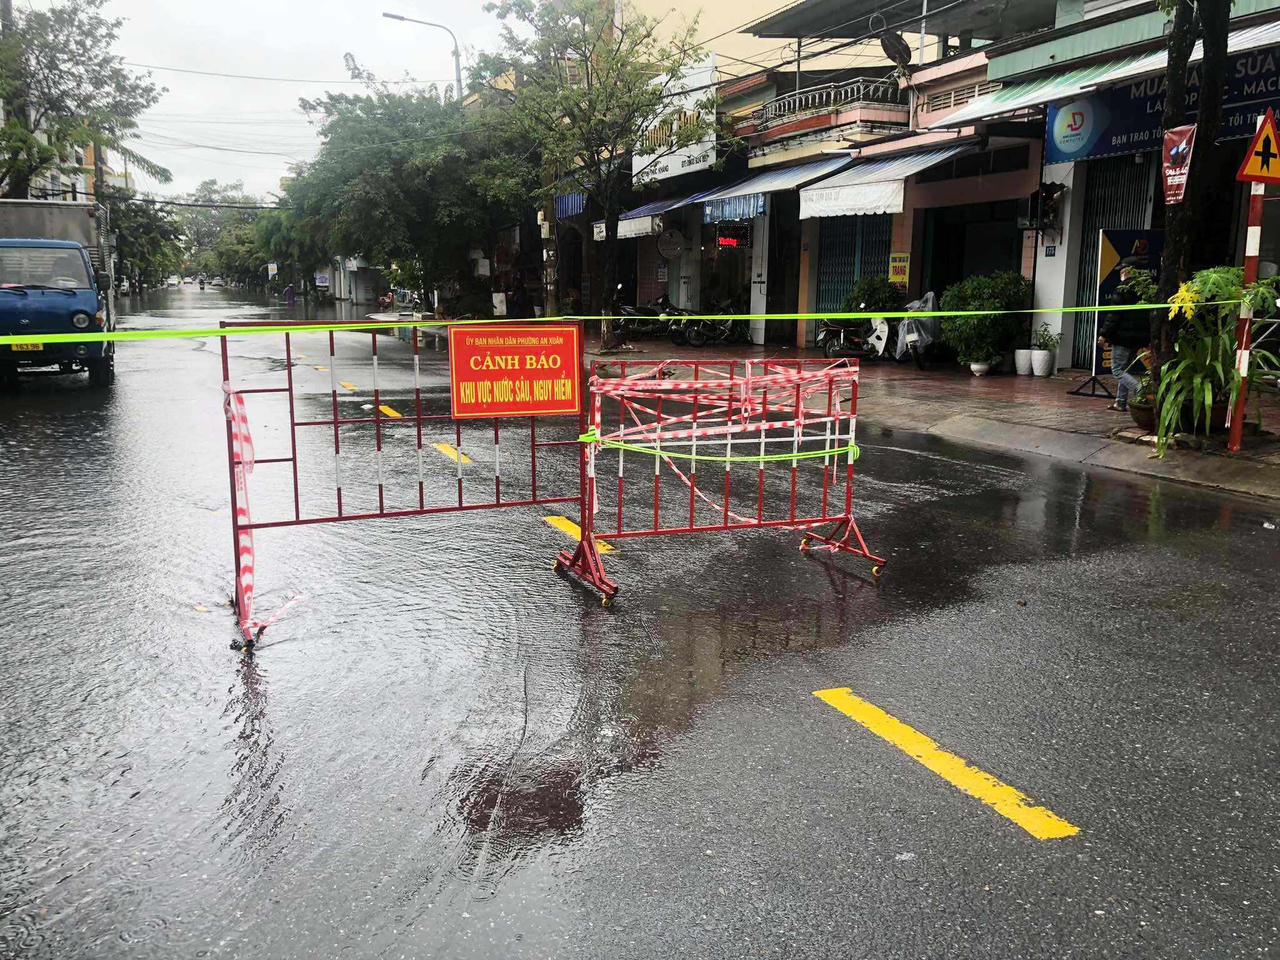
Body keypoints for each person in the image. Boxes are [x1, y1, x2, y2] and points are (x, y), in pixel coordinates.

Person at [1098, 267, 1148, 412]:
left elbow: (1114, 315)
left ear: (1124, 273)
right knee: (1125, 370)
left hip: (1122, 337)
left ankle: (1139, 388)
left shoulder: (1122, 289)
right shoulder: (1142, 290)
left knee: (1117, 370)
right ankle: (1120, 402)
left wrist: (1104, 334)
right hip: (1137, 338)